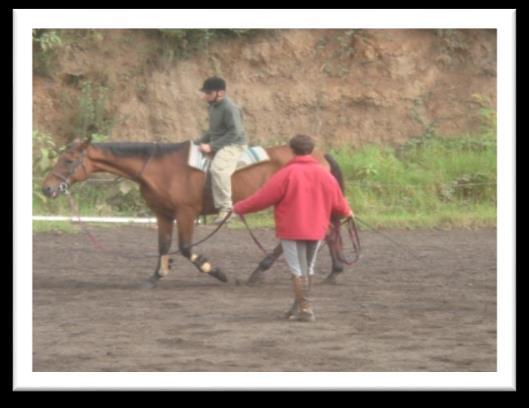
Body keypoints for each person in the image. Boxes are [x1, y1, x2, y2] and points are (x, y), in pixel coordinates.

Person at [233, 134, 353, 322]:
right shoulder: (324, 174)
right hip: (316, 229)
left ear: (292, 150)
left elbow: (262, 198)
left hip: (292, 229)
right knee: (308, 268)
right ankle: (298, 308)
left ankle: (305, 309)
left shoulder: (285, 174)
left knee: (297, 270)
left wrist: (237, 208)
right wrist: (348, 212)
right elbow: (339, 202)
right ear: (310, 150)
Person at [196, 76, 248, 224]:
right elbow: (213, 131)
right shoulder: (212, 106)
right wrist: (196, 143)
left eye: (208, 93)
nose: (204, 96)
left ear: (220, 93)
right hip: (220, 142)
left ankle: (226, 210)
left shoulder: (230, 108)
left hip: (234, 144)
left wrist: (212, 146)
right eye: (204, 93)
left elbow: (235, 133)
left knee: (218, 170)